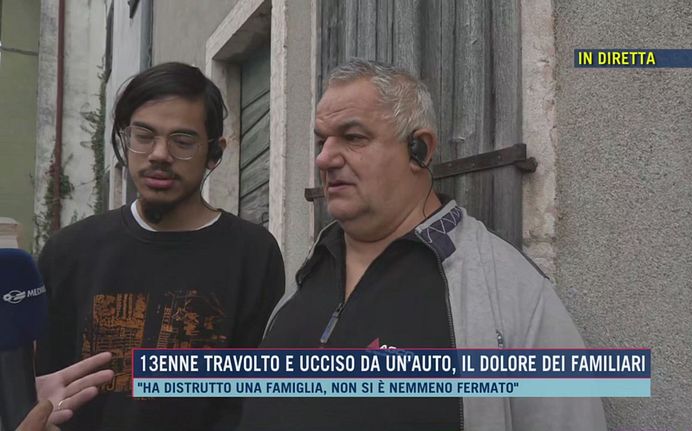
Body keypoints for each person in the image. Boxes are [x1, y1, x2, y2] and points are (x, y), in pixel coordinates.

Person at [246, 59, 606, 430]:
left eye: (353, 137)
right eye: (323, 141)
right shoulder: (310, 271)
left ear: (419, 149)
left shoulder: (511, 292)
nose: (323, 158)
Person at [35, 62, 285, 430]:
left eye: (182, 142)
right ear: (125, 139)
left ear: (214, 153)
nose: (159, 154)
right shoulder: (67, 253)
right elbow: (41, 388)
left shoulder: (253, 254)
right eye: (144, 135)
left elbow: (252, 398)